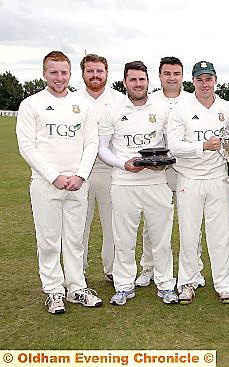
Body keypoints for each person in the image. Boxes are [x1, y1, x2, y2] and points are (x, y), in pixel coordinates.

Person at [16, 50, 102, 314]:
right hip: (46, 183)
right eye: (54, 72)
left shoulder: (83, 106)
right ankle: (54, 290)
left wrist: (80, 175)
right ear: (44, 73)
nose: (59, 77)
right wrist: (54, 176)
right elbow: (26, 146)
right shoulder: (31, 104)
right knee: (49, 239)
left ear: (70, 74)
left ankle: (76, 287)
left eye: (64, 72)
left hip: (77, 182)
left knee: (76, 239)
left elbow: (91, 143)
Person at [98, 61, 178, 306]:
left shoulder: (161, 109)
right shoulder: (112, 110)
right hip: (124, 183)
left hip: (156, 182)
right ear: (125, 82)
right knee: (123, 238)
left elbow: (170, 143)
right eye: (132, 80)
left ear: (148, 81)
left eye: (142, 79)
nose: (138, 84)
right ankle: (123, 286)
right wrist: (124, 164)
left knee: (161, 238)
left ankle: (165, 285)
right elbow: (102, 147)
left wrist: (163, 163)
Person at [167, 61, 229, 304]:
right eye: (200, 79)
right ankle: (187, 282)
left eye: (209, 79)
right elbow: (174, 146)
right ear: (193, 81)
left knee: (220, 234)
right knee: (189, 234)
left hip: (217, 178)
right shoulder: (180, 109)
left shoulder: (226, 109)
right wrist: (202, 146)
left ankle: (223, 284)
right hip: (189, 178)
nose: (205, 84)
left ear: (215, 80)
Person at [135, 56, 205, 289]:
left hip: (187, 168)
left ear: (182, 76)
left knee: (191, 221)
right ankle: (149, 267)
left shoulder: (192, 100)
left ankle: (195, 268)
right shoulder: (151, 100)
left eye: (176, 74)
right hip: (156, 171)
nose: (172, 78)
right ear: (160, 76)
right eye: (167, 74)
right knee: (153, 222)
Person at [77, 54, 125, 282]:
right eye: (90, 71)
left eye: (99, 71)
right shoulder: (73, 100)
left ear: (107, 73)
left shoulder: (119, 100)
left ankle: (113, 270)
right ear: (83, 73)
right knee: (77, 228)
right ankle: (78, 272)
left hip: (111, 172)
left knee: (113, 226)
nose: (95, 75)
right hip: (80, 173)